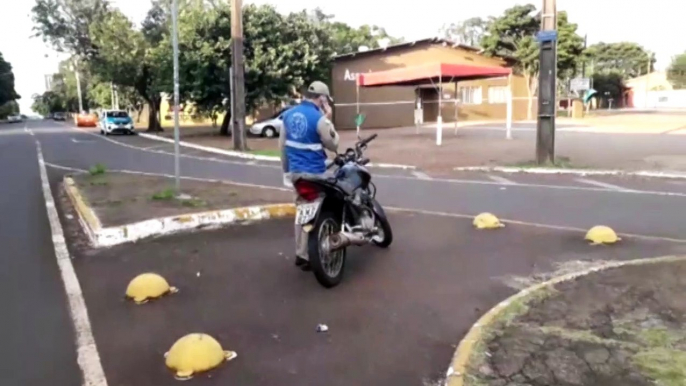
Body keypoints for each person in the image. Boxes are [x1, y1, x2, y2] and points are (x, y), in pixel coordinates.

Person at [279, 81, 340, 271]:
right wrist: (328, 117)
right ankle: (328, 246)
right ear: (322, 98)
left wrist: (287, 172)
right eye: (325, 99)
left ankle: (301, 253)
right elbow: (334, 144)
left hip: (297, 175)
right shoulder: (319, 119)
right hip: (316, 175)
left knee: (302, 211)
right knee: (332, 204)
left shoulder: (287, 116)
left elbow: (283, 147)